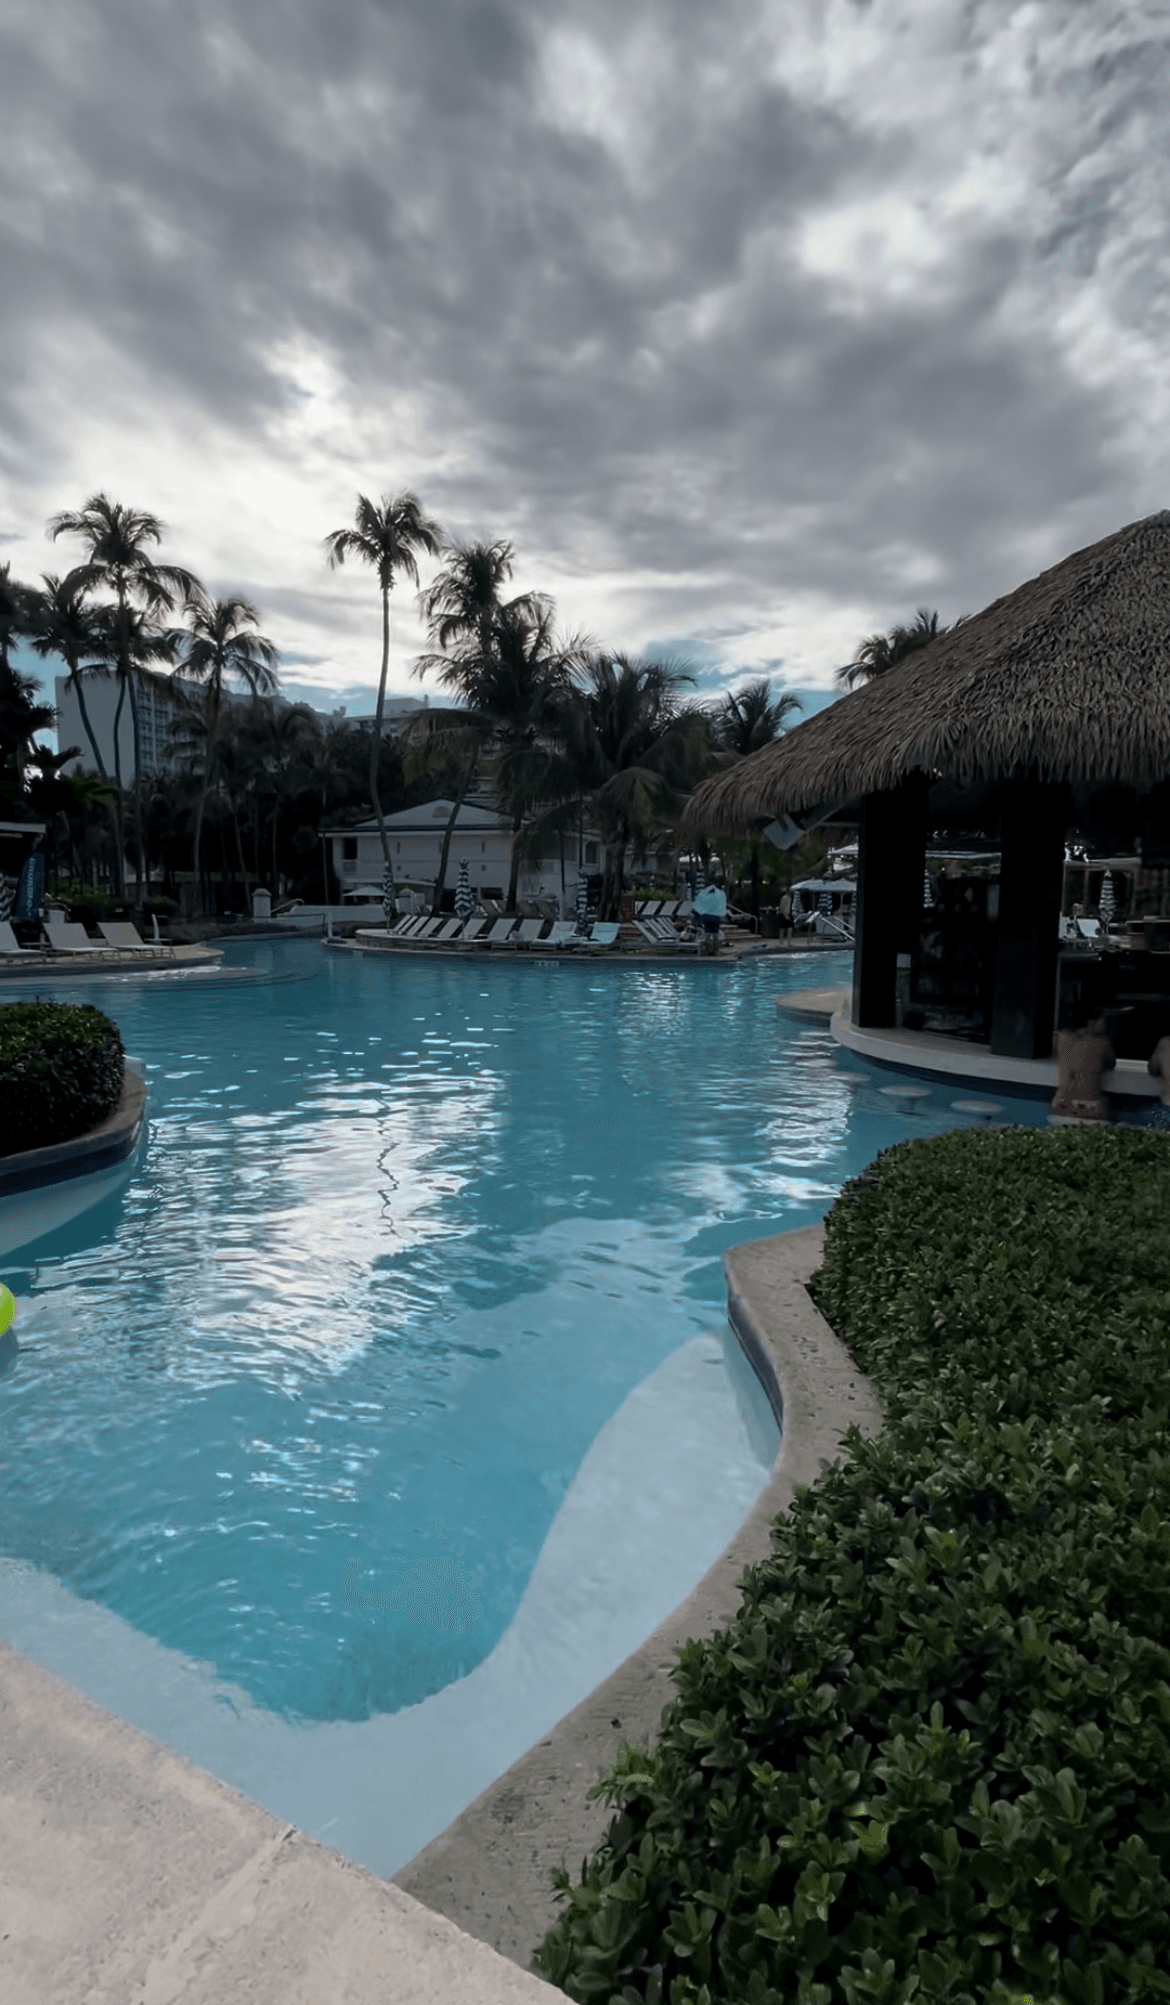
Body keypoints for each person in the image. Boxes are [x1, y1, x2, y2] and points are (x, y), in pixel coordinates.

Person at [1050, 1015, 1114, 1123]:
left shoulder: (1062, 1037)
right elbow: (1110, 1064)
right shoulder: (1102, 1043)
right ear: (1092, 1022)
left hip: (1060, 1104)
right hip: (1089, 1107)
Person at [693, 882, 727, 955]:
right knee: (715, 935)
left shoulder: (704, 896)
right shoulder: (718, 896)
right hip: (716, 918)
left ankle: (708, 950)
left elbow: (698, 906)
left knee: (708, 934)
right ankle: (715, 951)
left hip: (707, 917)